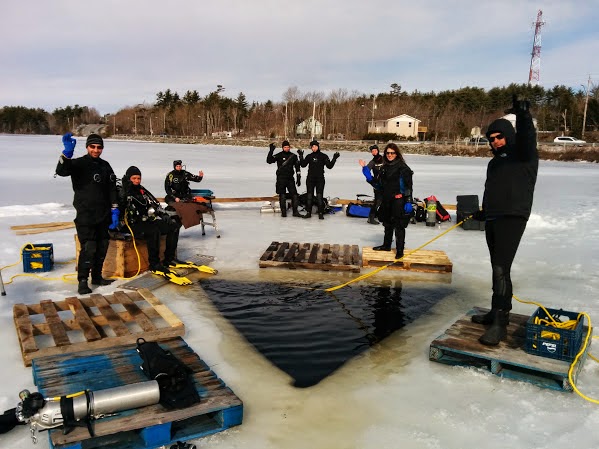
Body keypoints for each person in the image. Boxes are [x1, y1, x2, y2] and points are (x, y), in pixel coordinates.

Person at [471, 97, 539, 346]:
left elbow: (527, 138)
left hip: (513, 217)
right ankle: (494, 312)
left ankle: (500, 324)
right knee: (496, 267)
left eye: (499, 136)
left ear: (508, 135)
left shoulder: (524, 156)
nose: (495, 141)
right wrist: (484, 211)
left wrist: (522, 116)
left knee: (501, 269)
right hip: (494, 217)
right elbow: (492, 190)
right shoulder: (495, 163)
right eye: (491, 138)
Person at [55, 133, 119, 295]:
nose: (96, 150)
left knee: (102, 246)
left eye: (99, 147)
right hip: (86, 215)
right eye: (93, 147)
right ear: (87, 147)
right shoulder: (79, 164)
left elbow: (112, 188)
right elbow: (61, 171)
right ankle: (83, 281)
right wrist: (66, 153)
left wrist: (115, 209)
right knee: (89, 248)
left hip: (104, 214)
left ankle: (97, 277)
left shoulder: (105, 166)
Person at [120, 166, 182, 273]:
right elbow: (118, 208)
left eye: (138, 178)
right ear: (128, 178)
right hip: (131, 224)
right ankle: (154, 264)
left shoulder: (141, 190)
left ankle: (169, 258)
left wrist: (163, 215)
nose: (136, 181)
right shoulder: (123, 191)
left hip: (146, 220)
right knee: (153, 231)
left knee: (173, 226)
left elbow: (153, 204)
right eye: (134, 178)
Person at [360, 143, 413, 259]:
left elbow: (408, 186)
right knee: (387, 223)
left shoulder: (403, 168)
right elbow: (379, 186)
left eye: (392, 153)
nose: (389, 155)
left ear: (396, 154)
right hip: (387, 199)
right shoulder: (384, 168)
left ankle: (400, 250)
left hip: (398, 200)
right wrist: (369, 177)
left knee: (399, 226)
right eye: (388, 153)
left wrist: (408, 201)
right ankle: (386, 245)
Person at [298, 140, 339, 219]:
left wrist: (334, 158)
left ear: (318, 146)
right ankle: (308, 213)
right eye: (312, 147)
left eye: (315, 146)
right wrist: (301, 156)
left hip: (320, 179)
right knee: (309, 197)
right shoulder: (309, 156)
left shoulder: (323, 156)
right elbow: (303, 165)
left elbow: (329, 166)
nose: (314, 148)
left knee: (319, 197)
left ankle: (321, 213)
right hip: (310, 179)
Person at [267, 140, 301, 217]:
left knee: (294, 195)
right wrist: (271, 151)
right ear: (282, 148)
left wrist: (298, 177)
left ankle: (295, 212)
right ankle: (283, 213)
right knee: (282, 195)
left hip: (290, 179)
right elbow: (269, 161)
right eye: (285, 147)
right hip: (281, 179)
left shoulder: (293, 156)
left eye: (288, 147)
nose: (287, 148)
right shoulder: (279, 155)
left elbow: (297, 167)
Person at [364, 144, 384, 225]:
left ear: (378, 150)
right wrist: (372, 179)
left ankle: (383, 216)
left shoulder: (384, 159)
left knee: (386, 201)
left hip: (386, 184)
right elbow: (366, 171)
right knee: (378, 201)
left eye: (375, 150)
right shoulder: (372, 162)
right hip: (377, 185)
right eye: (372, 151)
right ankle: (371, 218)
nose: (374, 152)